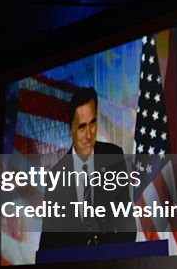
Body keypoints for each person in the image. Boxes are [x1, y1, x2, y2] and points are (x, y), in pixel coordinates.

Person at [37, 87, 131, 255]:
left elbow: (128, 224)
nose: (88, 135)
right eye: (81, 127)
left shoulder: (113, 157)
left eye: (92, 123)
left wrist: (113, 258)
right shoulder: (56, 177)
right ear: (70, 131)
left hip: (111, 268)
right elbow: (48, 242)